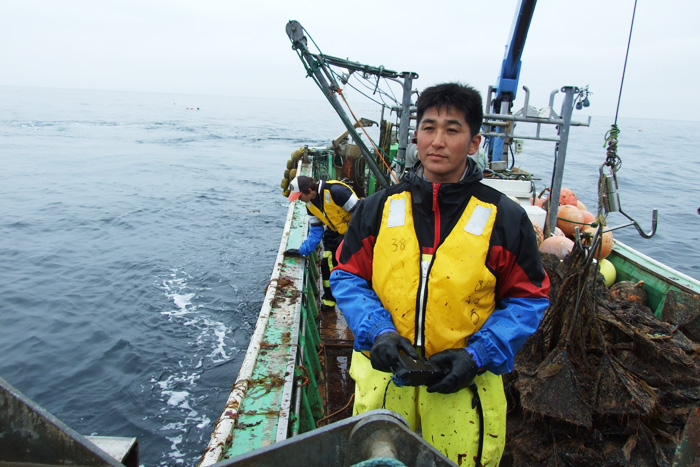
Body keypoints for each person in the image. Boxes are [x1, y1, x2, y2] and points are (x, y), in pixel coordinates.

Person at [329, 82, 550, 466]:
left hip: (463, 391)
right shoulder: (379, 209)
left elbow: (528, 298)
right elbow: (348, 277)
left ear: (475, 141)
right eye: (429, 128)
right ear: (416, 136)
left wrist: (480, 353)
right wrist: (376, 329)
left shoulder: (504, 219)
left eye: (452, 130)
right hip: (384, 383)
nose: (437, 141)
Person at [285, 175, 360, 311]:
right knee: (326, 264)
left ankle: (356, 302)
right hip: (334, 232)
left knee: (353, 268)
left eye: (300, 196)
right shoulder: (310, 204)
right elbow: (315, 231)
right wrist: (302, 250)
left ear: (308, 190)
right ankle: (329, 300)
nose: (299, 200)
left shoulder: (336, 192)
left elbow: (361, 213)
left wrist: (351, 237)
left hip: (355, 231)